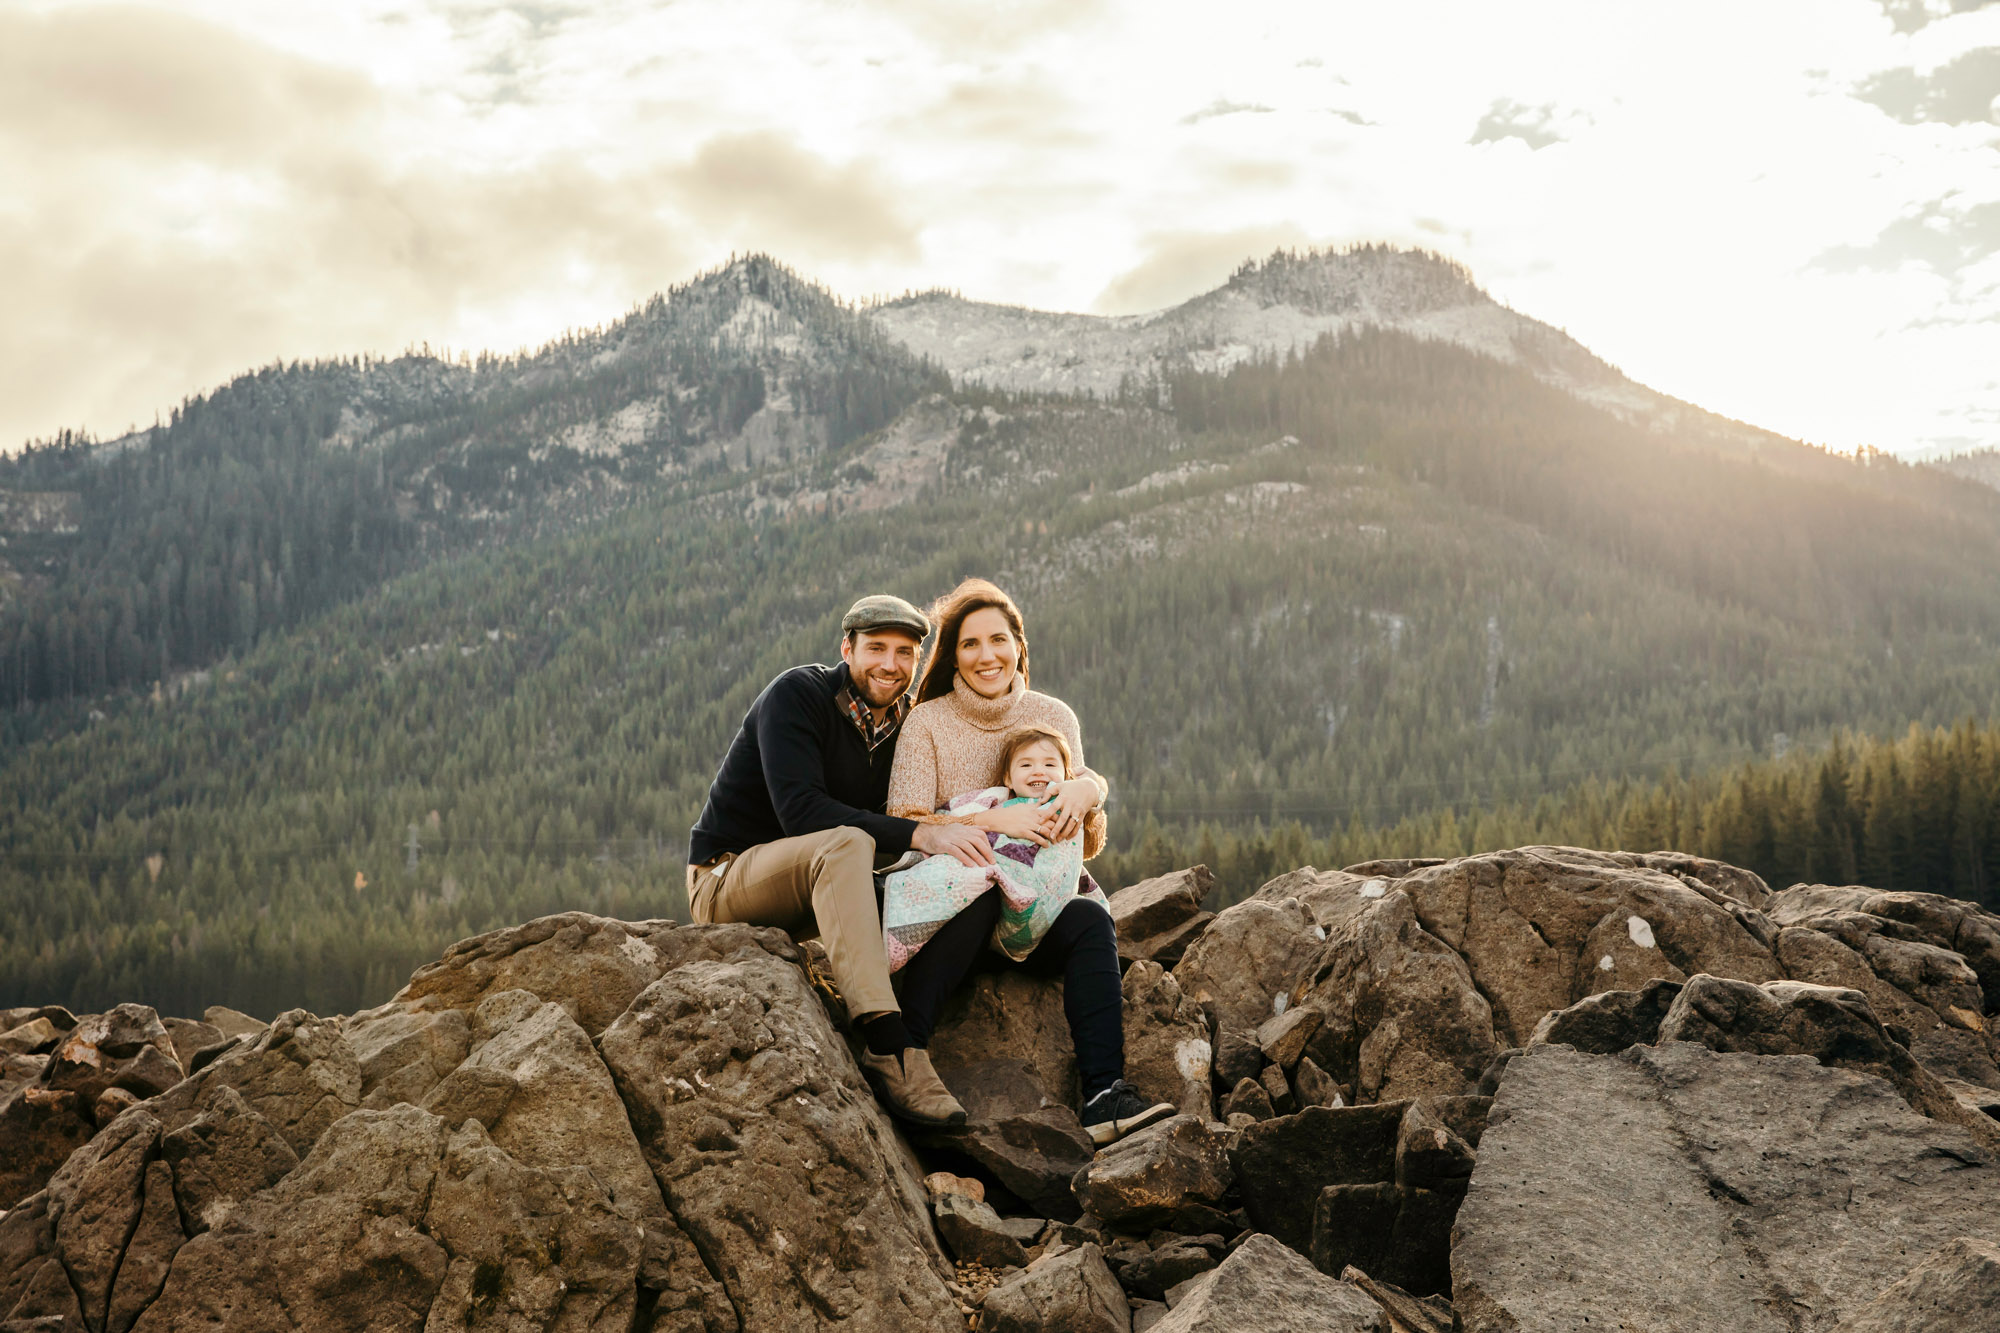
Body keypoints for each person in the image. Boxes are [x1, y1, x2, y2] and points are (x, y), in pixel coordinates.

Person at [685, 594, 996, 1128]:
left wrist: (1081, 783)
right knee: (848, 840)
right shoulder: (797, 695)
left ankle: (915, 1040)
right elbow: (803, 814)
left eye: (904, 653)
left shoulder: (906, 726)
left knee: (967, 880)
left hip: (826, 887)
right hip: (729, 878)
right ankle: (885, 1042)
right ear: (846, 648)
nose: (890, 666)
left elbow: (986, 760)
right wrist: (923, 834)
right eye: (876, 648)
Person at [887, 578, 1177, 1146]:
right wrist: (994, 821)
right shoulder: (928, 723)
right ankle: (902, 1057)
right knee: (980, 888)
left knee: (1091, 920)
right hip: (958, 914)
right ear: (953, 654)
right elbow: (903, 823)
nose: (986, 655)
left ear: (1020, 644)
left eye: (999, 639)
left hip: (1033, 912)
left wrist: (1087, 794)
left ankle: (1103, 1095)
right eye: (970, 644)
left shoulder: (1053, 716)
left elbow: (1083, 847)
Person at [879, 725, 1109, 972]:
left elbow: (1088, 845)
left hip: (1045, 925)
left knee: (1092, 916)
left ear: (1066, 774)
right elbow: (913, 823)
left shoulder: (1066, 800)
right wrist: (988, 820)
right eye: (1026, 765)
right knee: (975, 887)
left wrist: (1093, 790)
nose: (1039, 771)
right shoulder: (993, 800)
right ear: (1008, 778)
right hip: (978, 919)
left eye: (1050, 765)